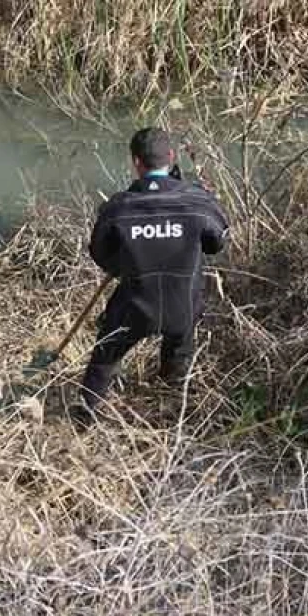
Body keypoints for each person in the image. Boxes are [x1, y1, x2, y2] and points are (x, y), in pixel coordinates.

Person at [75, 127, 230, 422]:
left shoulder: (119, 207)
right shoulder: (199, 202)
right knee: (180, 346)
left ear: (136, 162)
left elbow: (99, 254)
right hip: (183, 305)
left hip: (135, 306)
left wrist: (126, 265)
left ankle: (85, 415)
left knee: (105, 356)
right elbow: (216, 242)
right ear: (171, 157)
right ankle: (172, 409)